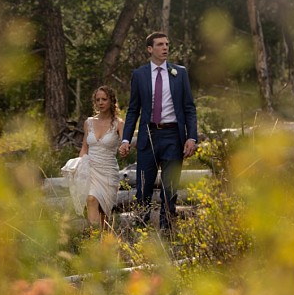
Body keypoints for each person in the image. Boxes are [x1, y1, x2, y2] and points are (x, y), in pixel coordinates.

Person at [119, 32, 198, 233]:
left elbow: (189, 108)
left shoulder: (180, 73)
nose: (165, 48)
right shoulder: (139, 75)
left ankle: (167, 231)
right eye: (160, 44)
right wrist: (126, 138)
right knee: (143, 188)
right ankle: (142, 231)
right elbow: (133, 109)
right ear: (149, 49)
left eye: (167, 44)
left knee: (169, 188)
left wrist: (191, 137)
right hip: (148, 136)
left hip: (173, 136)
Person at [68, 85, 125, 229]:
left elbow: (124, 145)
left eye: (104, 99)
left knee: (104, 212)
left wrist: (125, 149)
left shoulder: (119, 124)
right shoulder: (89, 122)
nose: (100, 102)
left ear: (111, 101)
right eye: (98, 100)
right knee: (91, 199)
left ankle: (104, 243)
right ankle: (94, 240)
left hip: (108, 171)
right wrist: (79, 165)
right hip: (91, 168)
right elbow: (84, 148)